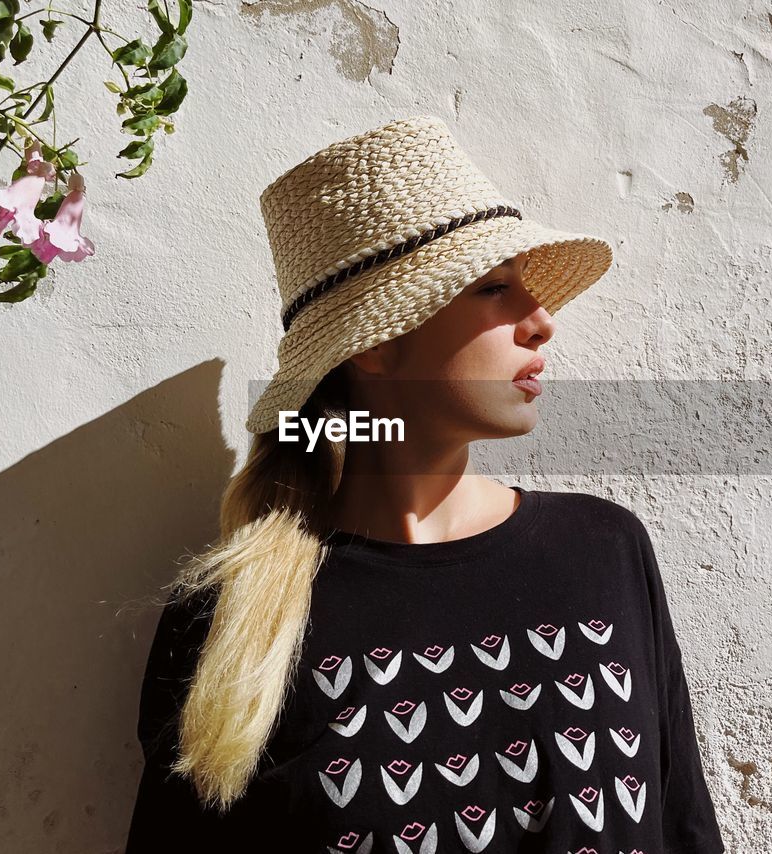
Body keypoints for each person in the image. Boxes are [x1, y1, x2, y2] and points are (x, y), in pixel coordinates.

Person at [124, 115, 725, 853]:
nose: (540, 322)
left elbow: (685, 824)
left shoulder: (604, 552)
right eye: (495, 289)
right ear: (377, 344)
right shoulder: (231, 625)